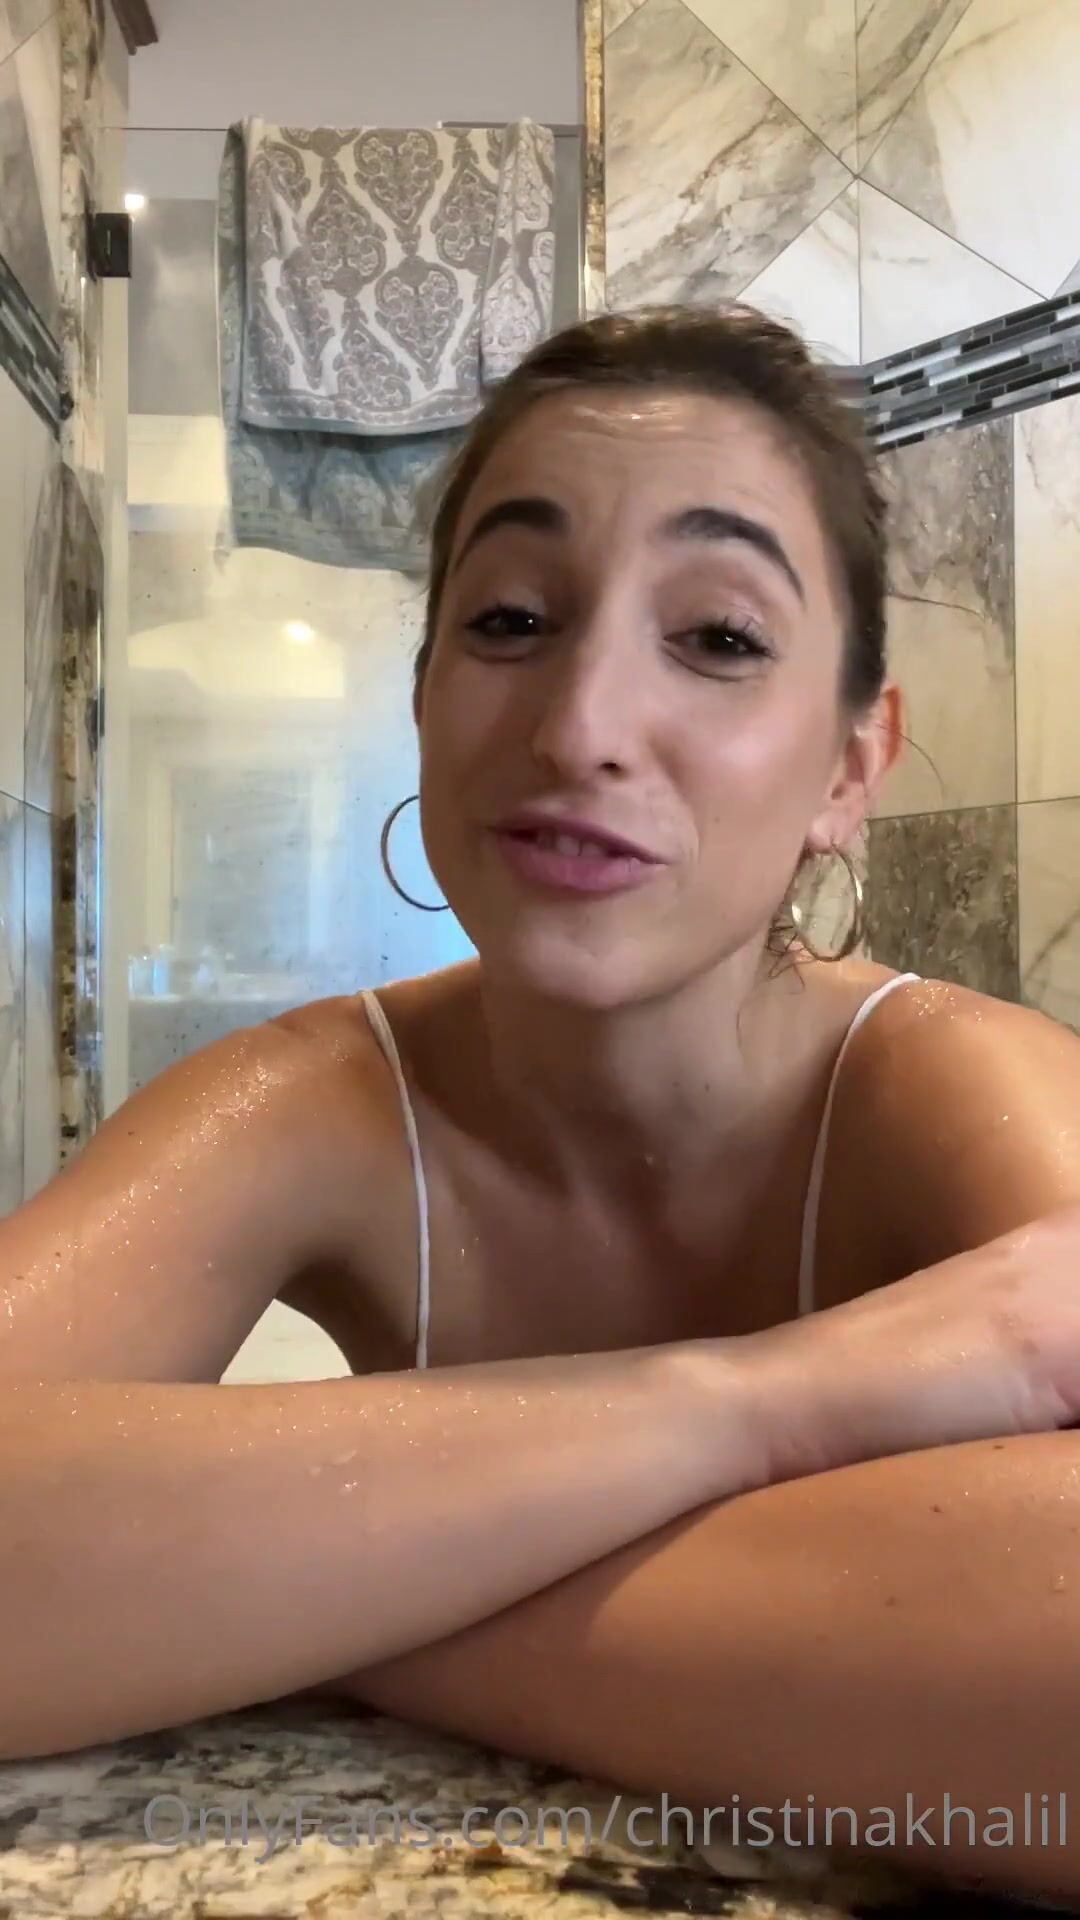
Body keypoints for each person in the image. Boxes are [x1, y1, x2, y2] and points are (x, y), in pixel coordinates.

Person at [1, 305, 1078, 1898]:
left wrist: (279, 1589)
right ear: (424, 696)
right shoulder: (308, 1102)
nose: (580, 730)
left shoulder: (954, 1088)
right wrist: (772, 1399)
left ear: (853, 765)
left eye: (719, 640)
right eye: (510, 619)